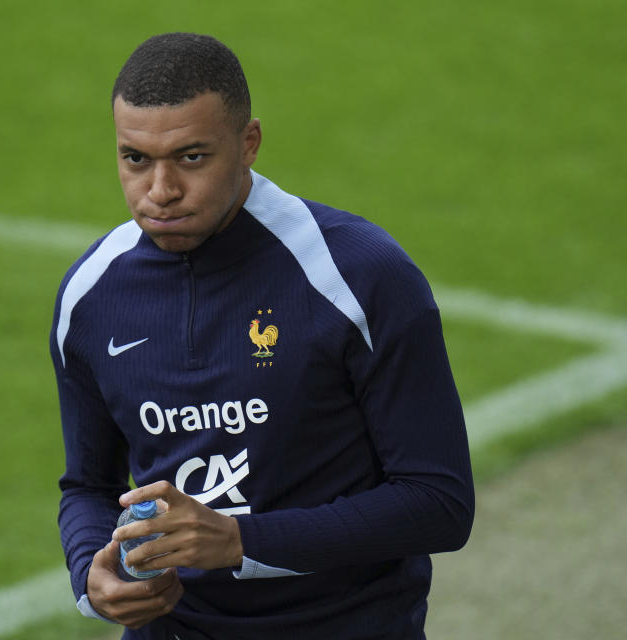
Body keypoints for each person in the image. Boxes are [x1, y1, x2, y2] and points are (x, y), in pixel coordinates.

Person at [50, 32, 474, 640]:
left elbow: (439, 502)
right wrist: (91, 570)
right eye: (135, 159)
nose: (160, 191)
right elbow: (89, 485)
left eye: (191, 157)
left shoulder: (359, 275)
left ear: (248, 144)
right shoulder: (90, 297)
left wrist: (238, 542)